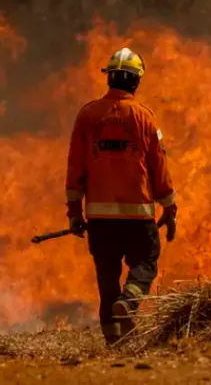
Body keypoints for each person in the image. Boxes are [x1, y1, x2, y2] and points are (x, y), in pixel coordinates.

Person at [65, 47, 178, 346]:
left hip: (100, 219)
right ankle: (130, 300)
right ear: (136, 81)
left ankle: (114, 340)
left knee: (107, 278)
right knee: (146, 262)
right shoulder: (145, 117)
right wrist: (169, 205)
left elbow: (75, 166)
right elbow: (159, 165)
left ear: (110, 79)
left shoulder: (87, 115)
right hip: (138, 216)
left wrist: (75, 212)